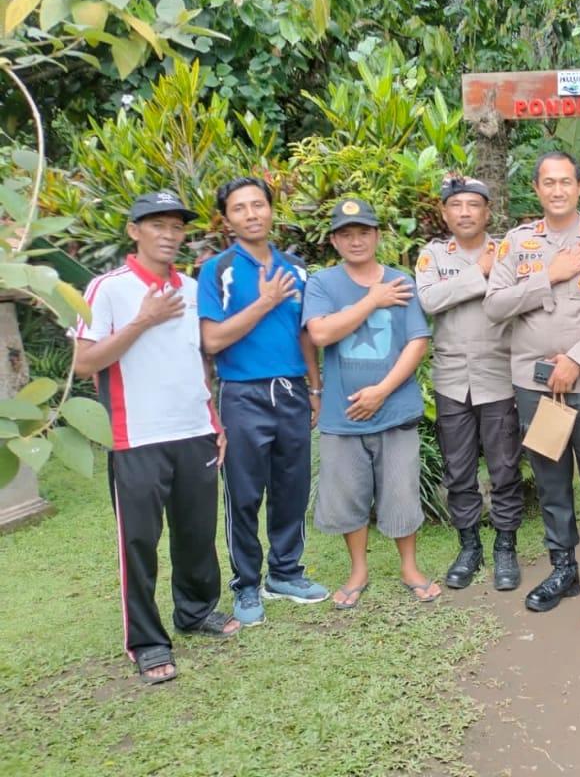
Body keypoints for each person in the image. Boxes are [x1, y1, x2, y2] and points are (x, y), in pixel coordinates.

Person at [74, 190, 239, 684]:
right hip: (135, 436)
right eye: (157, 225)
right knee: (139, 543)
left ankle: (195, 611)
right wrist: (143, 320)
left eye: (176, 226)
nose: (169, 235)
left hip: (194, 430)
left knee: (196, 533)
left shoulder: (191, 287)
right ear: (134, 231)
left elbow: (196, 359)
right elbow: (84, 363)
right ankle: (147, 642)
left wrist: (213, 420)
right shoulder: (107, 289)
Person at [483, 151, 580, 620]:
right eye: (548, 182)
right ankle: (563, 568)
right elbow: (495, 306)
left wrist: (576, 360)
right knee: (550, 479)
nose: (557, 190)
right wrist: (549, 276)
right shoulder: (517, 243)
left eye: (565, 181)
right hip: (536, 386)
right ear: (536, 188)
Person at [198, 177, 327, 627]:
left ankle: (286, 573)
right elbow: (212, 340)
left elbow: (305, 333)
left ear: (272, 210)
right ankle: (247, 583)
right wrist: (265, 302)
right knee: (244, 493)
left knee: (292, 487)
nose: (251, 214)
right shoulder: (217, 271)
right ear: (226, 219)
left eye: (258, 205)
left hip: (291, 390)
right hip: (242, 393)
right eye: (239, 208)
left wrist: (315, 388)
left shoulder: (297, 269)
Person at [303, 198, 439, 608]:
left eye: (364, 232)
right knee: (348, 494)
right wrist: (372, 301)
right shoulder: (323, 284)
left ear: (377, 236)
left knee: (401, 491)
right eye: (346, 234)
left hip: (395, 410)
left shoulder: (401, 281)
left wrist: (382, 390)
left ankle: (410, 567)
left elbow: (418, 341)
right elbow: (320, 334)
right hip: (341, 416)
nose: (356, 240)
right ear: (334, 241)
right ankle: (358, 570)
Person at [416, 176, 522, 592]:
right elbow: (429, 300)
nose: (464, 212)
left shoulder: (508, 252)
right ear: (445, 213)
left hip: (500, 376)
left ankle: (506, 547)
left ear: (487, 212)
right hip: (451, 379)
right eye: (456, 205)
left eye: (473, 204)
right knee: (458, 471)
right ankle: (469, 547)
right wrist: (479, 272)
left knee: (504, 469)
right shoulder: (433, 255)